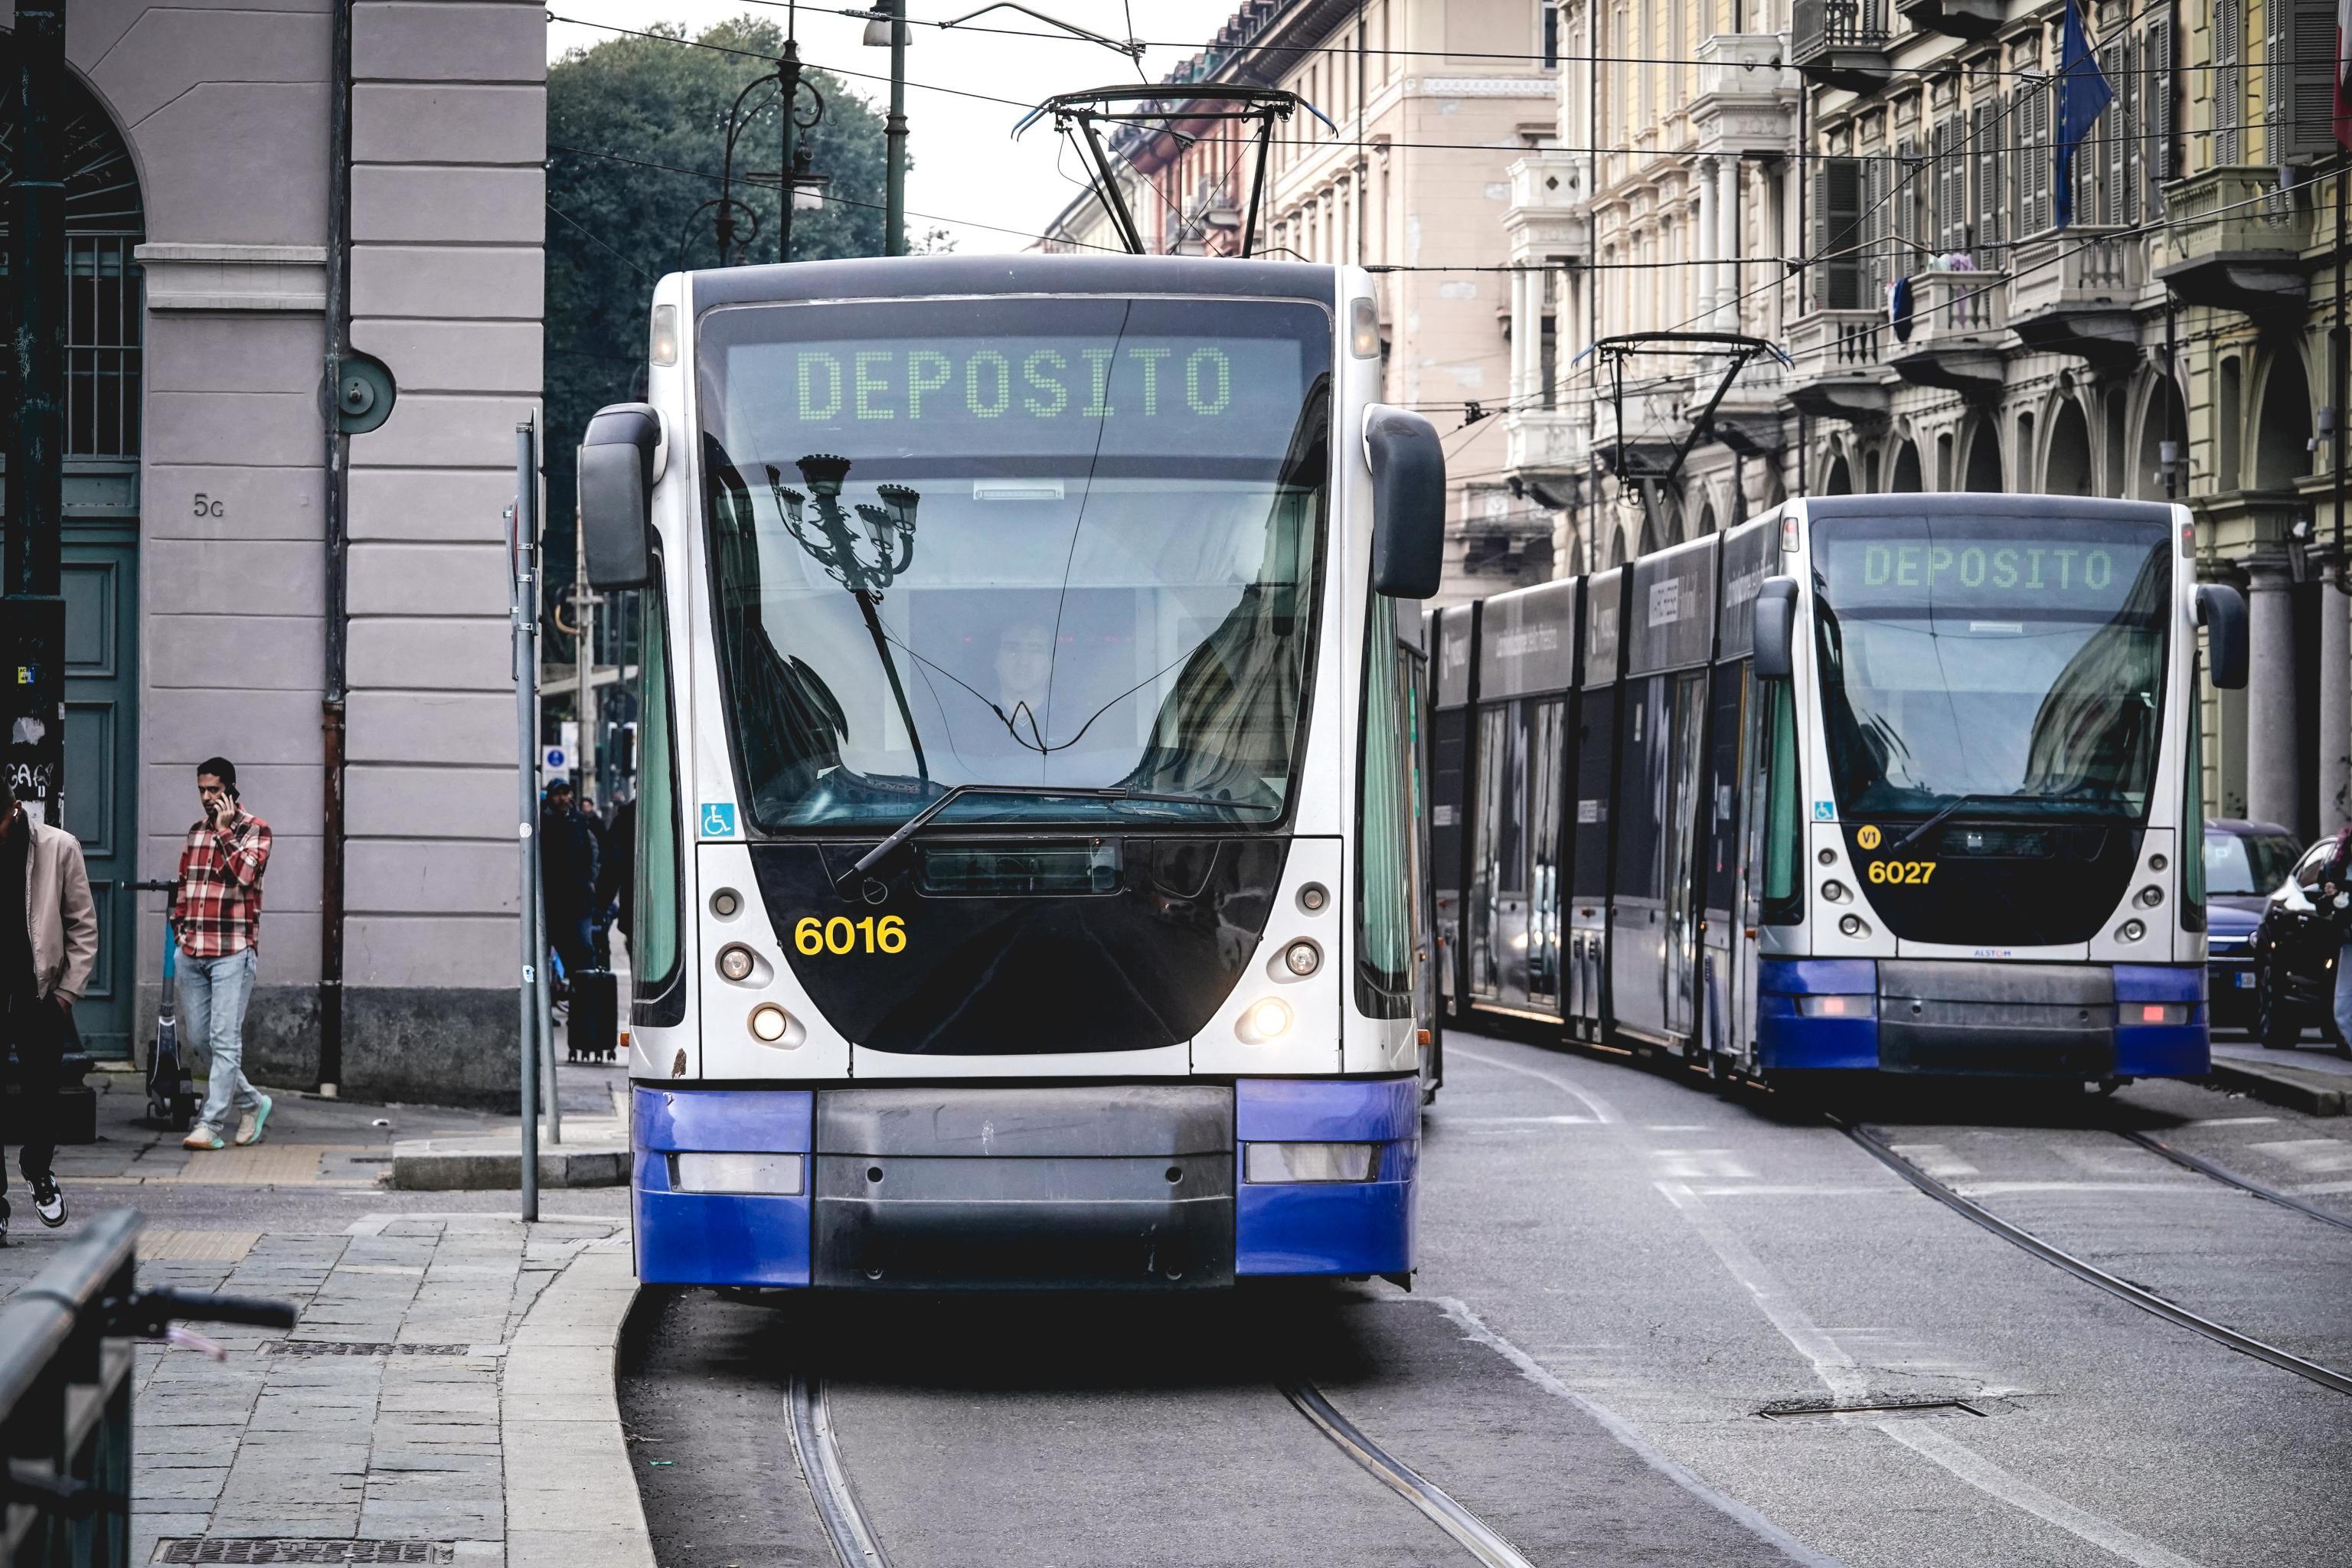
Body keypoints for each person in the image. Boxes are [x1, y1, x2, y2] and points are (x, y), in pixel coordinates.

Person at [0, 784, 96, 1240]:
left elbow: (83, 924)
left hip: (40, 993)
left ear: (13, 810)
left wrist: (67, 994)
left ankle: (38, 1170)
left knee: (42, 1093)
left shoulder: (59, 847)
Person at [173, 756, 275, 1152]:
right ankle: (253, 1102)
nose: (206, 797)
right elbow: (184, 886)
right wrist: (180, 931)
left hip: (233, 952)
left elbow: (246, 876)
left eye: (214, 790)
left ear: (231, 790)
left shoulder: (257, 830)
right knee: (202, 1042)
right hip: (194, 950)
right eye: (201, 790)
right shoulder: (195, 833)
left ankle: (210, 1124)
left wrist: (225, 833)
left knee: (225, 1041)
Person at [539, 778, 600, 990]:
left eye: (566, 793)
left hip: (579, 899)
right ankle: (551, 1002)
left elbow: (593, 853)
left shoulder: (579, 821)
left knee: (584, 950)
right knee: (546, 954)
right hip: (552, 901)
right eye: (558, 794)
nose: (563, 798)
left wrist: (590, 881)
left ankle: (585, 1000)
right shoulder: (543, 822)